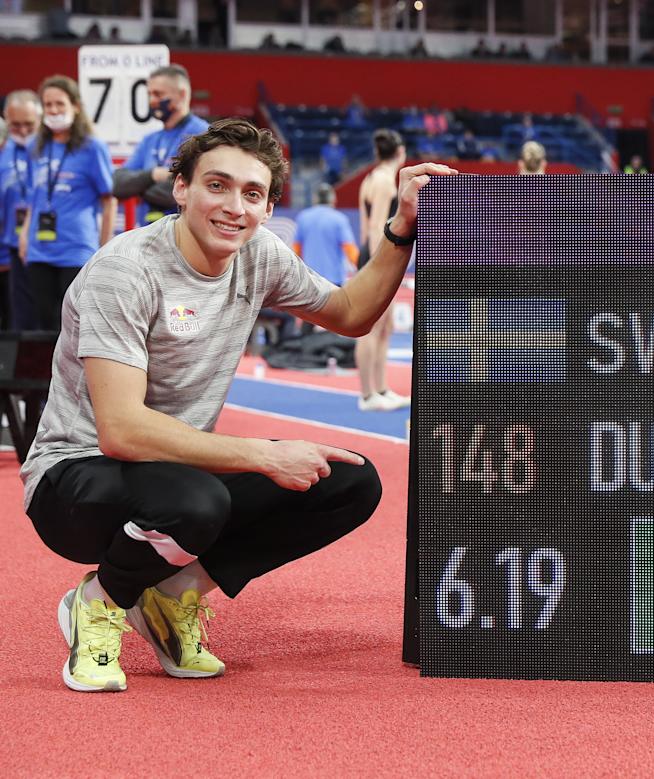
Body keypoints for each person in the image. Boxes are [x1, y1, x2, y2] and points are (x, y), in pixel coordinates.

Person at [20, 117, 456, 692]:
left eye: (252, 194)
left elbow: (351, 313)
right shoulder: (124, 272)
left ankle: (173, 596)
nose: (234, 207)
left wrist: (402, 229)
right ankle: (100, 601)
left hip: (174, 476)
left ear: (269, 208)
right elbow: (120, 431)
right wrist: (264, 455)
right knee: (197, 499)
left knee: (348, 481)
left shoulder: (259, 256)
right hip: (73, 481)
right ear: (182, 189)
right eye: (217, 186)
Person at [19, 75, 115, 331]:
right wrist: (25, 236)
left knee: (73, 326)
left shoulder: (92, 147)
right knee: (45, 323)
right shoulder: (35, 147)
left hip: (77, 250)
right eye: (47, 105)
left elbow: (109, 200)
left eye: (59, 104)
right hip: (40, 250)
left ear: (75, 106)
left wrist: (104, 248)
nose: (53, 110)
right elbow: (34, 199)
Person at [113, 65, 208, 227]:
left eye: (158, 94)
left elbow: (190, 188)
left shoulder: (203, 135)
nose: (152, 101)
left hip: (186, 237)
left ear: (182, 94)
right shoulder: (150, 139)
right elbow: (117, 184)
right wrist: (154, 176)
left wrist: (139, 186)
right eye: (149, 94)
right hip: (148, 237)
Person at [356, 129, 409, 411]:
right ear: (400, 153)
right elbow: (376, 225)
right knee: (373, 327)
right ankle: (367, 395)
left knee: (386, 326)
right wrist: (379, 263)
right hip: (378, 255)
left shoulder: (372, 177)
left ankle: (381, 388)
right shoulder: (384, 181)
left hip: (375, 253)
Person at [292, 183, 357, 339]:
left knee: (308, 320)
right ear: (333, 199)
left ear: (315, 199)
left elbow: (295, 251)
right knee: (335, 323)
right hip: (333, 281)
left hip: (309, 279)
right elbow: (351, 251)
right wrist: (364, 269)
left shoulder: (303, 217)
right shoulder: (339, 219)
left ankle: (304, 352)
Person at [0, 89, 41, 330]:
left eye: (29, 124)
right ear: (6, 118)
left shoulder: (50, 149)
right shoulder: (4, 152)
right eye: (16, 125)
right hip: (8, 255)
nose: (23, 131)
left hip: (43, 253)